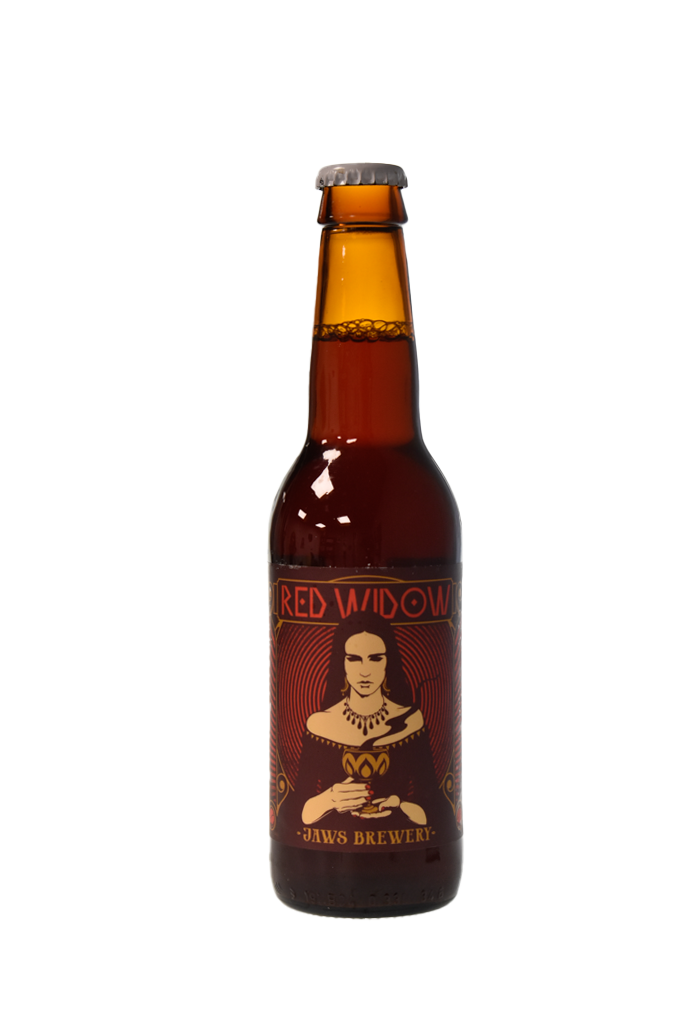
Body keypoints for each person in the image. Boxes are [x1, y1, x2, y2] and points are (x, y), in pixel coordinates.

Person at [296, 611, 435, 828]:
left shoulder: (410, 721)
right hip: (326, 844)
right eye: (354, 659)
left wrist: (399, 805)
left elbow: (435, 813)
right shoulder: (318, 724)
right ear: (342, 663)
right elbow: (296, 815)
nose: (365, 672)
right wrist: (330, 799)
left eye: (376, 658)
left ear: (388, 662)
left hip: (403, 841)